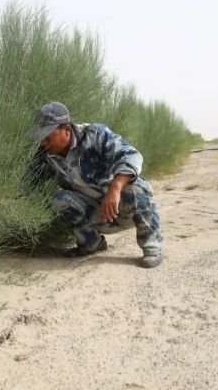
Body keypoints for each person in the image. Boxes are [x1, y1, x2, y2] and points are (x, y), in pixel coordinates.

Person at [24, 101, 165, 268]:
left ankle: (153, 246)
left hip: (124, 208)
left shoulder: (95, 135)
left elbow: (131, 156)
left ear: (67, 130)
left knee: (136, 188)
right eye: (40, 138)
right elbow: (30, 184)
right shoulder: (45, 154)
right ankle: (91, 244)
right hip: (97, 214)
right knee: (60, 199)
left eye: (48, 137)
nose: (43, 143)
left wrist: (115, 188)